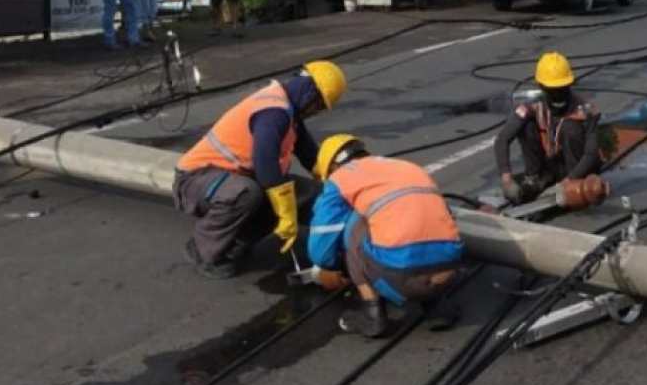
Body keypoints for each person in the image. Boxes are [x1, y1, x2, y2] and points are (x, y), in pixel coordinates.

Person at [173, 61, 348, 278]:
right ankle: (202, 250)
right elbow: (266, 166)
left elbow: (309, 155)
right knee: (250, 193)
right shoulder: (273, 112)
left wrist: (343, 180)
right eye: (319, 105)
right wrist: (286, 213)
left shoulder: (290, 112)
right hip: (195, 180)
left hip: (233, 179)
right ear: (309, 92)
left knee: (309, 193)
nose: (316, 111)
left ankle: (234, 243)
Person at [307, 134, 463, 338]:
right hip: (448, 273)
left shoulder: (340, 177)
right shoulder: (408, 167)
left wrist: (338, 268)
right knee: (420, 218)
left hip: (401, 279)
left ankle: (374, 315)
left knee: (355, 223)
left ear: (332, 168)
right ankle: (436, 308)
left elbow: (320, 251)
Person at [495, 52, 602, 205]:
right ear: (542, 88)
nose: (557, 94)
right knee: (527, 126)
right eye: (553, 90)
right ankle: (535, 178)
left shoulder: (585, 110)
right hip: (551, 166)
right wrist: (506, 178)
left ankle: (571, 181)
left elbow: (591, 154)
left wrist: (568, 181)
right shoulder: (532, 106)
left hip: (577, 169)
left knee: (570, 128)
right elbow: (502, 139)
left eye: (561, 89)